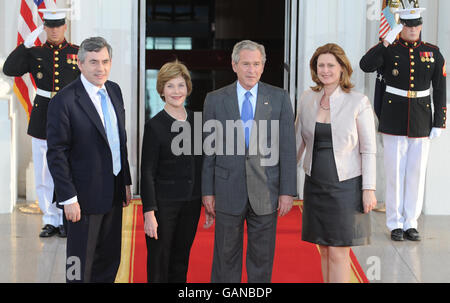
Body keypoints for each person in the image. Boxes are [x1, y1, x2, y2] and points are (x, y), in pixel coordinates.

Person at [202, 40, 297, 283]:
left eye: (256, 64)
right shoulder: (215, 99)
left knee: (261, 260)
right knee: (225, 259)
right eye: (245, 64)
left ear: (263, 66)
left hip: (266, 190)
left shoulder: (279, 98)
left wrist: (288, 191)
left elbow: (287, 148)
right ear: (234, 65)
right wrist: (207, 192)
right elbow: (209, 151)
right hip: (226, 189)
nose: (251, 70)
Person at [46, 37, 132, 283]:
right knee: (79, 264)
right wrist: (68, 198)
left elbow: (119, 141)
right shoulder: (64, 100)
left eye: (105, 61)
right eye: (93, 62)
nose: (100, 68)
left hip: (113, 193)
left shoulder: (114, 90)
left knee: (108, 260)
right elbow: (56, 153)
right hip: (81, 200)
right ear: (80, 64)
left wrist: (125, 181)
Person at [360, 5, 446, 241]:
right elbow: (366, 65)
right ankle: (395, 222)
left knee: (416, 173)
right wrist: (386, 41)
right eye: (408, 26)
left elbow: (439, 89)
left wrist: (439, 121)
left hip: (421, 118)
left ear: (421, 25)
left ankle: (411, 222)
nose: (413, 29)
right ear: (401, 27)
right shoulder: (390, 49)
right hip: (394, 117)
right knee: (394, 172)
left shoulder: (433, 53)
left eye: (416, 25)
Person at [295, 43, 377, 283]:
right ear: (315, 68)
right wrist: (282, 181)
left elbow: (369, 149)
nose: (325, 70)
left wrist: (368, 189)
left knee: (339, 253)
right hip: (315, 184)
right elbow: (297, 141)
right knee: (323, 250)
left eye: (331, 65)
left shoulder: (358, 101)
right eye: (321, 65)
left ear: (342, 68)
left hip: (346, 187)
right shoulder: (308, 98)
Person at [2, 8, 80, 238]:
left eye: (58, 25)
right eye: (50, 26)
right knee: (44, 170)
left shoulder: (76, 52)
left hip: (69, 116)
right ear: (44, 27)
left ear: (65, 26)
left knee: (67, 169)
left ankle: (65, 216)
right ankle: (50, 219)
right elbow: (9, 69)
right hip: (43, 116)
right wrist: (24, 46)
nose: (54, 30)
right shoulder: (35, 52)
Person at [141, 61, 202, 283]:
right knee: (159, 262)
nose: (176, 92)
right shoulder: (154, 126)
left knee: (180, 261)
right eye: (170, 86)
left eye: (180, 85)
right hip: (163, 206)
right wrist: (149, 212)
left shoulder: (198, 121)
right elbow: (147, 171)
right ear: (161, 90)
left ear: (187, 87)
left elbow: (201, 163)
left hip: (191, 204)